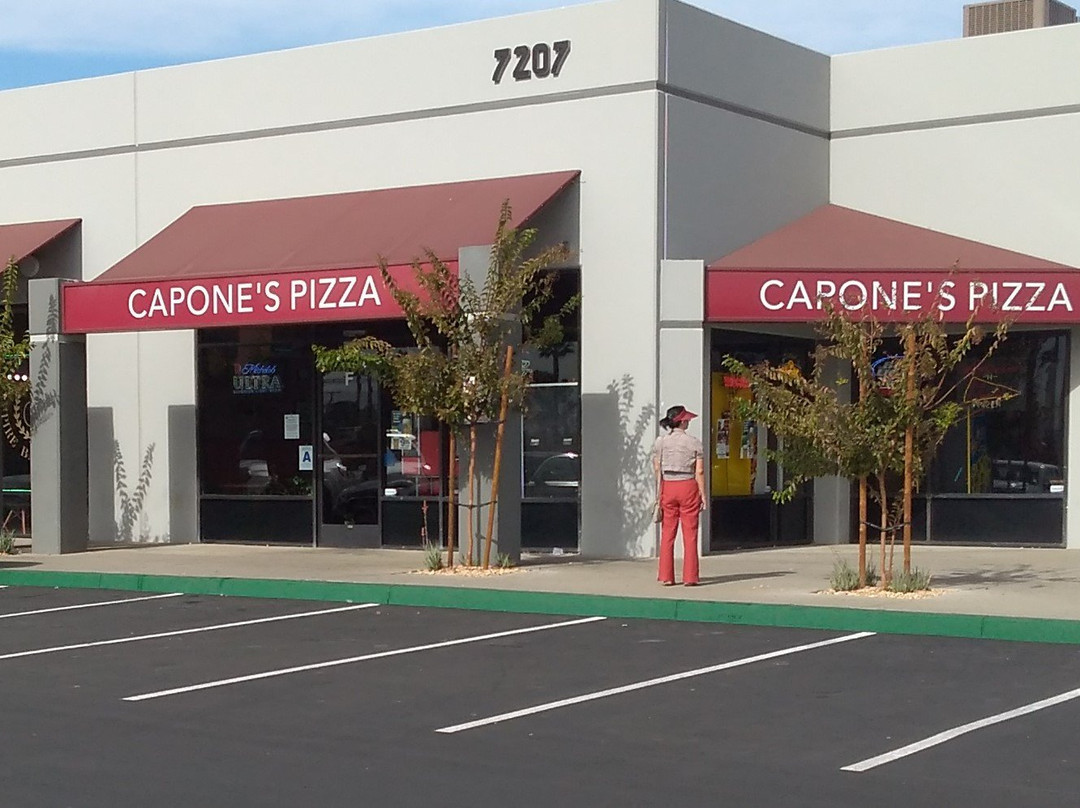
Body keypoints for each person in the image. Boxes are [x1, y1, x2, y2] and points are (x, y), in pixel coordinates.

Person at [652, 405, 707, 586]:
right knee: (690, 534)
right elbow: (699, 471)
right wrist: (703, 494)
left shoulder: (661, 442)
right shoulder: (694, 443)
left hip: (668, 485)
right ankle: (690, 577)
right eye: (687, 419)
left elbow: (657, 468)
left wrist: (659, 492)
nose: (688, 422)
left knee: (667, 532)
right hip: (688, 485)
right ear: (682, 421)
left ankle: (666, 576)